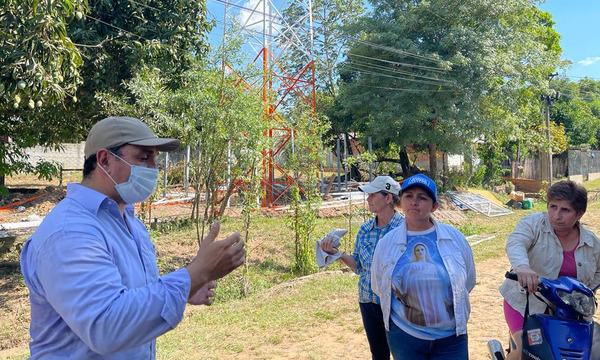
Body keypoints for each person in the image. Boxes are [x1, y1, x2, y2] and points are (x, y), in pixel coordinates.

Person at [20, 116, 246, 359]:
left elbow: (128, 294)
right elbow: (105, 326)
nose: (153, 169)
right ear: (105, 159)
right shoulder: (70, 231)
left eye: (155, 160)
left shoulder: (130, 223)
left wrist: (187, 288)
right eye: (143, 158)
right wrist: (198, 273)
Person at [371, 173, 476, 360]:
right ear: (400, 202)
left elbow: (467, 280)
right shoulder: (387, 244)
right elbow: (379, 286)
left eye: (422, 197)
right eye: (409, 196)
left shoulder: (455, 238)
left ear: (434, 206)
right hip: (405, 336)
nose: (414, 202)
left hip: (451, 339)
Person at [499, 180, 600, 360]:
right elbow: (516, 242)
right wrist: (523, 268)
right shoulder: (533, 224)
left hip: (570, 311)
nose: (556, 215)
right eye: (553, 207)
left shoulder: (592, 243)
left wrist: (586, 291)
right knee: (525, 349)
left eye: (565, 210)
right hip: (524, 303)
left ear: (580, 213)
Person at [320, 175, 403, 360]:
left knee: (403, 353)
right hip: (368, 302)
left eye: (373, 195)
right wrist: (338, 254)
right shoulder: (365, 230)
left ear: (388, 198)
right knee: (378, 354)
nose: (368, 199)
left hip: (396, 304)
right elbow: (358, 266)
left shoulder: (405, 230)